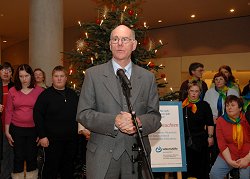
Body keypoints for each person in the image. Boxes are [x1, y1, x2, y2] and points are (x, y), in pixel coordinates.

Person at [76, 25, 161, 179]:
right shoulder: (93, 75)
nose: (120, 43)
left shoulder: (147, 78)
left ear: (134, 45)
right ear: (110, 45)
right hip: (102, 155)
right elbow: (83, 113)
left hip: (137, 157)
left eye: (125, 39)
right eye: (115, 39)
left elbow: (155, 117)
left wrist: (139, 122)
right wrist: (114, 121)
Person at [34, 65, 78, 179]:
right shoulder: (45, 95)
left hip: (71, 140)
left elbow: (79, 115)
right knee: (50, 169)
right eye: (56, 76)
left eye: (62, 76)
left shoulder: (73, 94)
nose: (59, 79)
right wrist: (42, 136)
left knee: (68, 169)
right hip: (51, 141)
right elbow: (37, 116)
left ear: (66, 78)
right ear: (52, 78)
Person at [5, 64, 44, 179]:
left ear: (31, 76)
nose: (24, 79)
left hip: (34, 129)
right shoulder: (12, 91)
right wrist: (7, 131)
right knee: (18, 157)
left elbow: (43, 114)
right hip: (16, 129)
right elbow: (8, 111)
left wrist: (41, 133)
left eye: (26, 76)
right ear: (18, 77)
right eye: (21, 76)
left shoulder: (39, 91)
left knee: (31, 157)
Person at [210, 95, 250, 179]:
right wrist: (229, 161)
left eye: (232, 105)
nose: (229, 108)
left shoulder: (247, 119)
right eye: (227, 105)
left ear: (240, 108)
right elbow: (222, 144)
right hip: (229, 154)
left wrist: (247, 159)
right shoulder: (221, 120)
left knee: (245, 177)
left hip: (247, 154)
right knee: (214, 174)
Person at [204, 72, 239, 167]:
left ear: (225, 81)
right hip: (213, 123)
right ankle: (216, 167)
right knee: (215, 147)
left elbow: (237, 108)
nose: (218, 81)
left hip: (228, 122)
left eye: (221, 79)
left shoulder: (232, 92)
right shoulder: (209, 92)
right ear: (214, 81)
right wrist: (210, 118)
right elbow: (205, 108)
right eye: (216, 79)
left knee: (229, 146)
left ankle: (232, 167)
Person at [182, 81, 214, 179]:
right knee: (188, 167)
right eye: (192, 91)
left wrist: (210, 137)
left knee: (201, 167)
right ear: (188, 91)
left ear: (200, 92)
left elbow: (210, 123)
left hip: (201, 140)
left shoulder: (204, 105)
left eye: (196, 91)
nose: (194, 93)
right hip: (185, 140)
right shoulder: (182, 105)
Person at [0, 62, 15, 179]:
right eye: (4, 70)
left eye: (9, 71)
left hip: (10, 127)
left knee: (9, 154)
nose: (6, 72)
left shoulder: (15, 88)